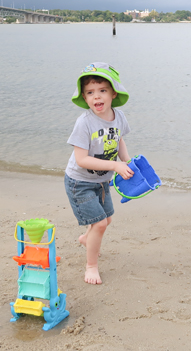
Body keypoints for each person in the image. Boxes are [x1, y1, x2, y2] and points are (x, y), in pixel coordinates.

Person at [64, 62, 134, 284]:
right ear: (84, 98)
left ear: (113, 93)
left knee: (107, 219)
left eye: (102, 90)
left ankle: (87, 238)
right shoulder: (84, 123)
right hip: (80, 182)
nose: (97, 97)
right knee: (100, 223)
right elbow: (81, 159)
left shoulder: (119, 117)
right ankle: (91, 266)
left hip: (101, 180)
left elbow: (119, 139)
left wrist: (127, 161)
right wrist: (115, 166)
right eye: (90, 93)